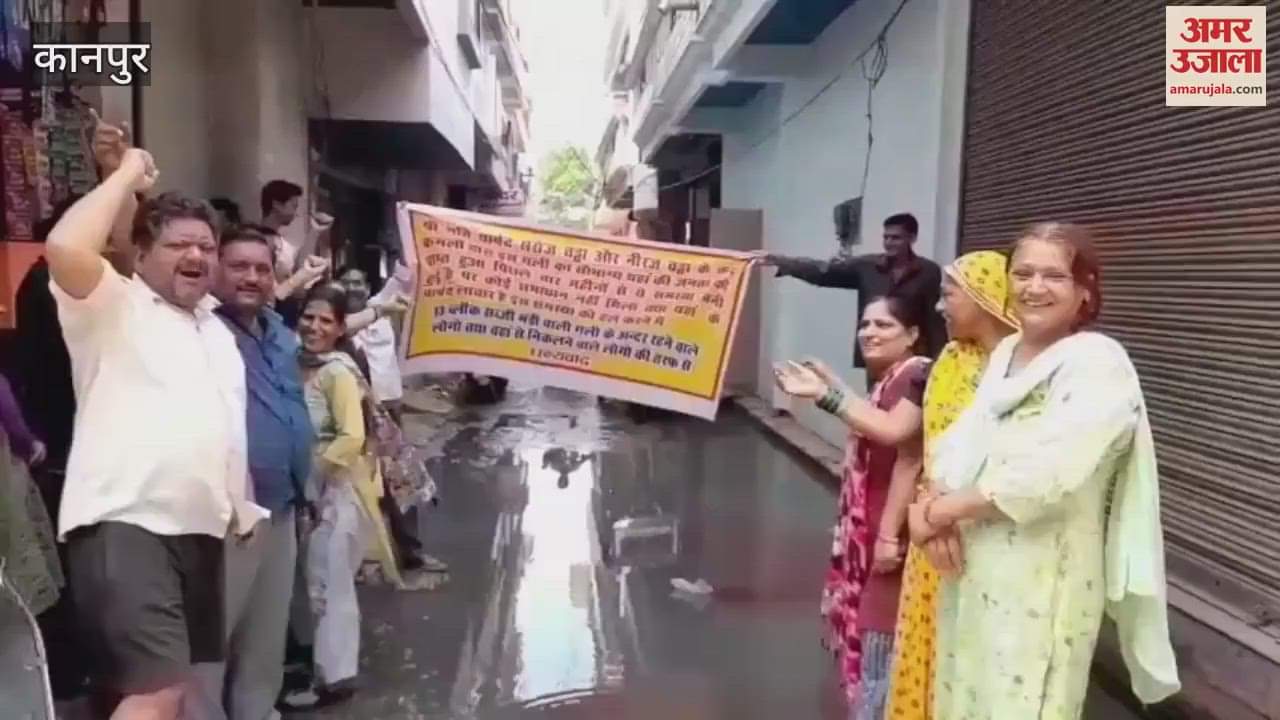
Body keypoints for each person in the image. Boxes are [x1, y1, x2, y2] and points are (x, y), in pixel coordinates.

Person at [908, 223, 1180, 719]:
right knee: (962, 700)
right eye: (1023, 273)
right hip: (970, 577)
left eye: (1054, 275)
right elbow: (958, 448)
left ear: (1085, 290)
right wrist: (927, 510)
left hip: (1041, 584)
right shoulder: (1008, 355)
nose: (1034, 287)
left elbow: (1045, 473)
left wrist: (937, 512)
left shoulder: (1097, 363)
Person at [45, 145, 264, 720]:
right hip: (128, 524)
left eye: (206, 247)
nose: (196, 254)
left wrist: (237, 506)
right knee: (158, 691)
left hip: (198, 533)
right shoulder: (112, 306)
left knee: (163, 691)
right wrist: (122, 175)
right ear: (139, 256)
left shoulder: (213, 328)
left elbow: (221, 423)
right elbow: (67, 246)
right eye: (177, 244)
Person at [773, 295, 930, 719]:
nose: (869, 333)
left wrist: (826, 395)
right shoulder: (896, 378)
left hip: (893, 538)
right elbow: (870, 416)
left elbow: (898, 438)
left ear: (913, 335)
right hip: (880, 533)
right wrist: (833, 384)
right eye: (865, 324)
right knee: (875, 640)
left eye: (884, 325)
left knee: (880, 647)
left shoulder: (918, 374)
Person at [186, 226, 316, 720]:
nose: (252, 277)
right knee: (211, 645)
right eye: (239, 266)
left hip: (282, 508)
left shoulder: (280, 334)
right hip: (224, 516)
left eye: (262, 269)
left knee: (264, 640)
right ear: (216, 268)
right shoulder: (198, 328)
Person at [883, 250, 1018, 720]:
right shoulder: (950, 362)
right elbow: (921, 454)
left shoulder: (1027, 372)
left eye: (949, 295)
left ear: (985, 298)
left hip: (995, 538)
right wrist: (923, 519)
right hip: (935, 535)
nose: (940, 307)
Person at [283, 284, 404, 710]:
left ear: (338, 330)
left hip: (336, 493)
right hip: (311, 492)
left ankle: (334, 679)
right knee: (316, 584)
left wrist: (312, 483)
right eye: (309, 317)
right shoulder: (298, 363)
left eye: (326, 321)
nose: (315, 326)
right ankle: (321, 666)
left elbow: (351, 437)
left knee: (329, 586)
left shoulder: (336, 372)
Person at [762, 213, 947, 370]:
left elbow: (934, 319)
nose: (889, 242)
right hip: (877, 350)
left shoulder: (928, 271)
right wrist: (781, 261)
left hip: (913, 355)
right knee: (877, 406)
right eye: (886, 237)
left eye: (896, 238)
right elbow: (824, 272)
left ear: (912, 238)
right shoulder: (867, 267)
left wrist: (940, 359)